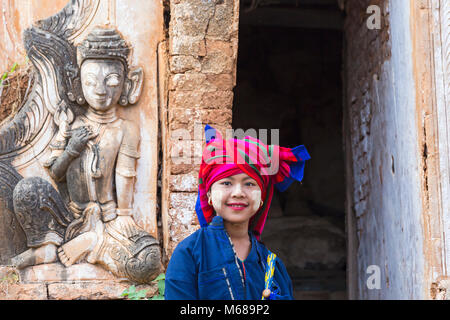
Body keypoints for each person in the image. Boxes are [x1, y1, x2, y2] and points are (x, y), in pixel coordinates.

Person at [165, 125, 310, 300]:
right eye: (226, 183)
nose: (238, 192)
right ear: (209, 194)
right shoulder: (190, 254)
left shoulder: (273, 267)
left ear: (262, 197)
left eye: (249, 184)